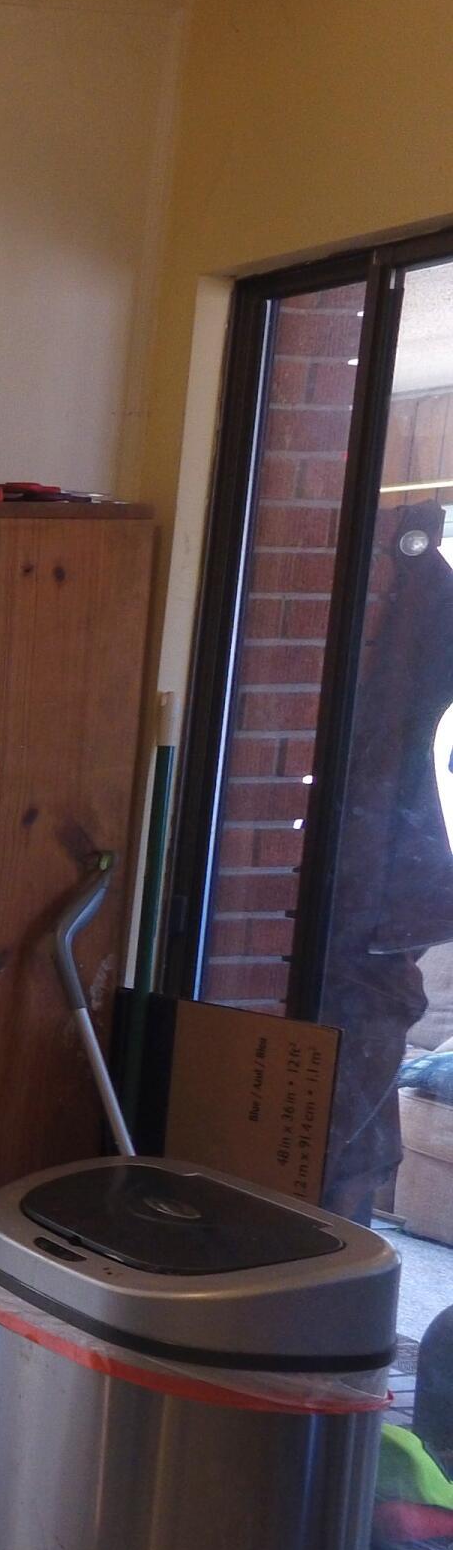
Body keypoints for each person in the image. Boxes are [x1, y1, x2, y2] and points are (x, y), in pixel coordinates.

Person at [318, 501, 453, 1221]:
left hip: (383, 896)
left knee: (356, 1119)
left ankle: (342, 1275)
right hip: (367, 890)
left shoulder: (427, 595)